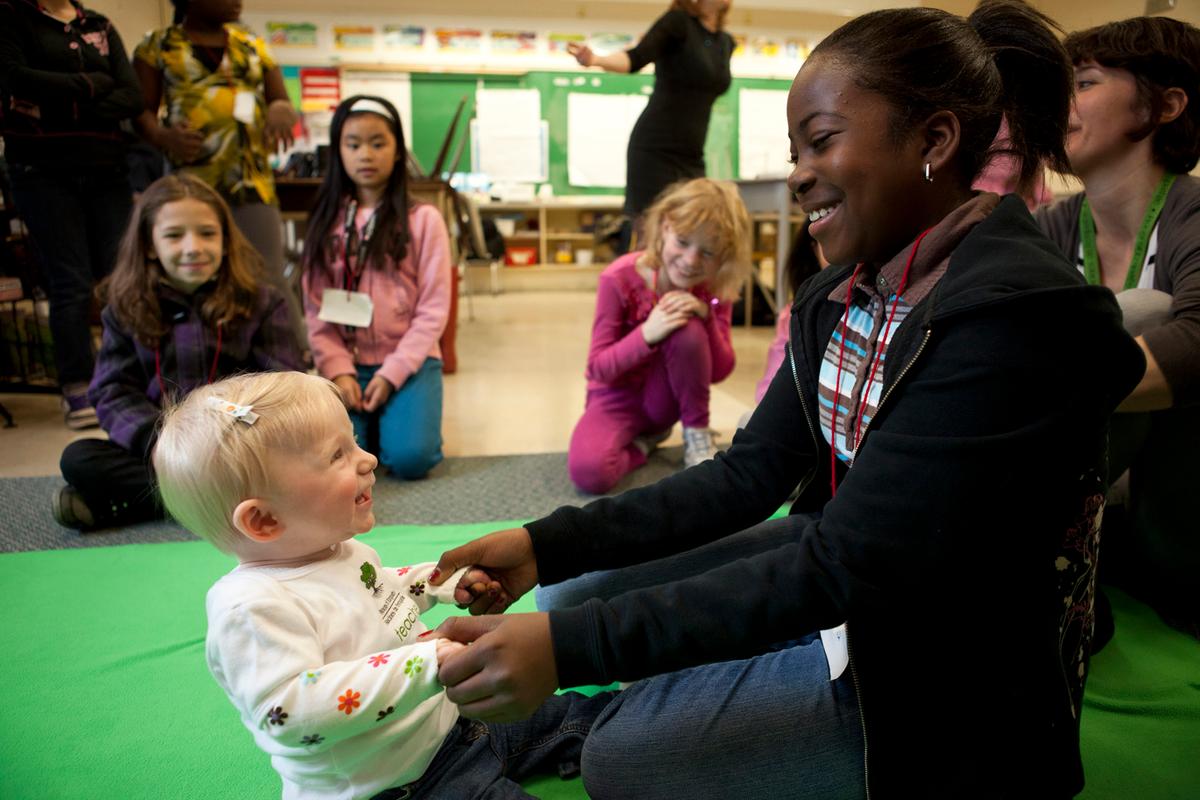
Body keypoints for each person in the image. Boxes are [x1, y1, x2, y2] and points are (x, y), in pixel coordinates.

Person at [425, 3, 1146, 797]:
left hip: (947, 676)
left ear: (935, 142)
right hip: (851, 579)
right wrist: (546, 542)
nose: (800, 172)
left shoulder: (1012, 319)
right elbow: (750, 477)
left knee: (621, 756)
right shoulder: (844, 291)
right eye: (795, 148)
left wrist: (572, 652)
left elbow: (843, 567)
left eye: (824, 139)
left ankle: (611, 716)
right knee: (568, 589)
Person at [152, 370, 615, 800]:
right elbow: (289, 711)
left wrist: (435, 583)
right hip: (399, 784)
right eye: (338, 455)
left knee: (574, 714)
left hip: (453, 724)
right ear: (264, 520)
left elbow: (377, 593)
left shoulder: (336, 550)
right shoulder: (251, 609)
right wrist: (426, 662)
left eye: (353, 443)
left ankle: (665, 726)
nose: (368, 459)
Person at [1036, 16, 1200, 640]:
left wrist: (1026, 393)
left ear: (1164, 106)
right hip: (1092, 515)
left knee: (1144, 314)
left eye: (1082, 83)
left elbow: (1197, 343)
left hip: (1174, 533)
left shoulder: (1192, 212)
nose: (1060, 104)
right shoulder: (1051, 226)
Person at [52, 174, 303, 531]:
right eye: (173, 235)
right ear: (150, 245)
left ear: (226, 241)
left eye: (207, 233)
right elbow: (111, 392)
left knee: (294, 461)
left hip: (238, 449)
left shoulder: (262, 301)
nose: (193, 247)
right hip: (160, 451)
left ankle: (148, 505)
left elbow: (284, 384)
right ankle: (217, 503)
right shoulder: (124, 307)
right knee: (79, 459)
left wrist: (233, 440)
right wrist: (161, 442)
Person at [0, 0, 142, 428]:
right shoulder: (11, 18)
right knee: (71, 282)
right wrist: (91, 84)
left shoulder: (97, 23)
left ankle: (130, 376)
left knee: (123, 278)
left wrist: (61, 95)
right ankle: (76, 383)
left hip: (107, 168)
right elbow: (14, 79)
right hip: (41, 170)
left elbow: (131, 95)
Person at [133, 0, 306, 350]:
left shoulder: (252, 44)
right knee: (190, 272)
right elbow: (140, 113)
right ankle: (195, 353)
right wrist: (164, 136)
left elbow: (281, 101)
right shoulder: (158, 46)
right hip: (190, 184)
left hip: (251, 182)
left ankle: (294, 357)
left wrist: (280, 112)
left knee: (267, 272)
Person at [566, 177, 750, 494]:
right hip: (615, 399)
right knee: (589, 473)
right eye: (682, 241)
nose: (691, 260)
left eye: (707, 252)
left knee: (686, 326)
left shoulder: (716, 289)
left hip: (667, 402)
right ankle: (644, 444)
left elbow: (720, 370)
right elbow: (598, 368)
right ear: (664, 227)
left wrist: (705, 317)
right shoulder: (617, 278)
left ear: (724, 256)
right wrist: (647, 333)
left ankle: (696, 435)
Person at [302, 96, 452, 480]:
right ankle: (372, 421)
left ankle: (396, 422)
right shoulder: (324, 221)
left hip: (411, 361)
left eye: (378, 143)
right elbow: (316, 310)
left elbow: (434, 309)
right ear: (338, 152)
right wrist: (338, 370)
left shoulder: (424, 219)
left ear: (398, 151)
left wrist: (393, 373)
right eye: (353, 144)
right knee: (333, 460)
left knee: (410, 460)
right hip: (347, 366)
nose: (365, 154)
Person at [568, 1, 734, 248]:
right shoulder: (677, 23)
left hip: (691, 155)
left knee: (690, 235)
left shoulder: (726, 42)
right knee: (650, 239)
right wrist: (596, 59)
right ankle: (640, 287)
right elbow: (635, 58)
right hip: (654, 149)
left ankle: (676, 289)